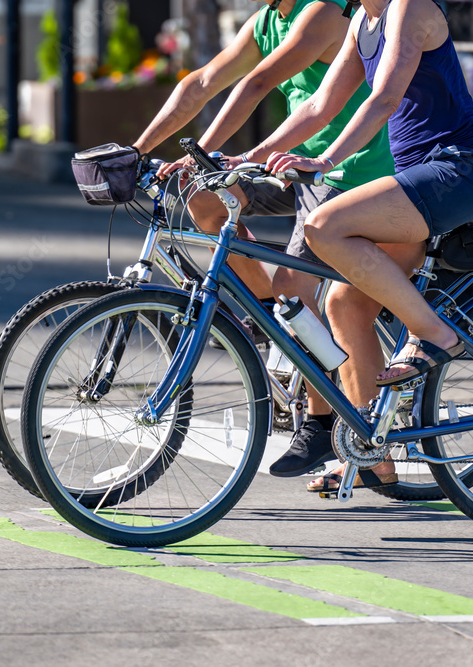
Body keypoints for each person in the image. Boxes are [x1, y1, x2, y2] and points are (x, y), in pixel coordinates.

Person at [131, 0, 396, 478]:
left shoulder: (322, 13)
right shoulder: (266, 21)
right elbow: (200, 83)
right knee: (206, 200)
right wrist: (137, 150)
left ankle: (318, 424)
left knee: (298, 294)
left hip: (346, 174)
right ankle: (264, 315)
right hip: (290, 167)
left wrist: (201, 154)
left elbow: (257, 83)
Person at [253, 0, 473, 491]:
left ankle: (432, 331)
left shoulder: (408, 9)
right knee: (344, 303)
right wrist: (251, 154)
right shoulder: (362, 24)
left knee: (324, 225)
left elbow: (384, 99)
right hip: (419, 177)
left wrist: (324, 161)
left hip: (460, 167)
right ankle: (374, 449)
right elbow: (318, 105)